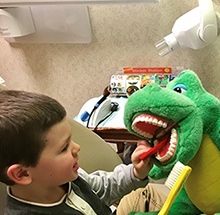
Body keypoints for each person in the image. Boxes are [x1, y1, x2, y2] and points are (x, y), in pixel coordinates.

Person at [0, 90, 153, 215]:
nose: (77, 147)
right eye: (64, 148)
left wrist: (135, 172)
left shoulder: (67, 176)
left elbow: (101, 189)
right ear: (22, 174)